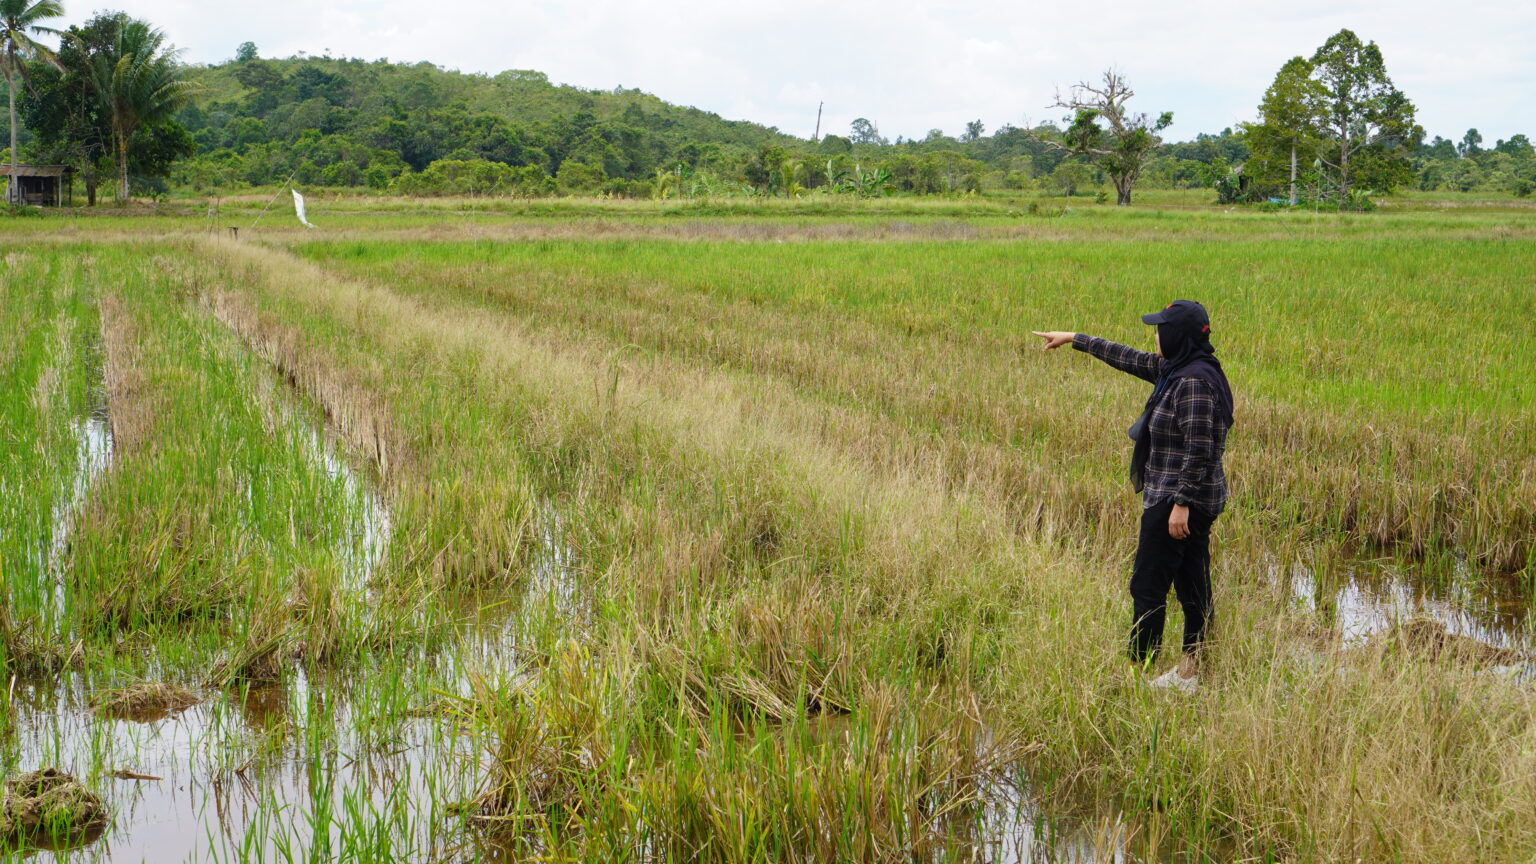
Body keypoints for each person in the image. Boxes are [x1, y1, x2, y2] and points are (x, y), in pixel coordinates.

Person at [1033, 301, 1234, 694]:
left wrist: (1181, 504)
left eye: (1161, 329)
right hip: (1189, 499)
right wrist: (1074, 338)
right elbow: (1127, 358)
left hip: (1178, 502)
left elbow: (1201, 450)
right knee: (1193, 582)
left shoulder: (1192, 382)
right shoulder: (1179, 369)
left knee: (1148, 586)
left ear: (1178, 336)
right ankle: (1191, 672)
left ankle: (1136, 675)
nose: (1155, 336)